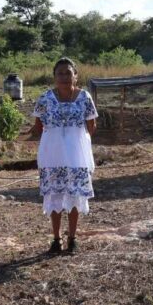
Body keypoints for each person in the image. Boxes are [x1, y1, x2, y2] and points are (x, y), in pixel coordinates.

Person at [28, 57, 97, 254]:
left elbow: (91, 126)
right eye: (60, 73)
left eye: (68, 73)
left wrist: (75, 141)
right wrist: (57, 138)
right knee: (55, 194)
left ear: (76, 76)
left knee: (75, 194)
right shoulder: (45, 98)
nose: (64, 77)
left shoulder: (85, 97)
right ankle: (56, 239)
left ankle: (72, 239)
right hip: (53, 153)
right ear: (54, 77)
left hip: (77, 155)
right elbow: (38, 126)